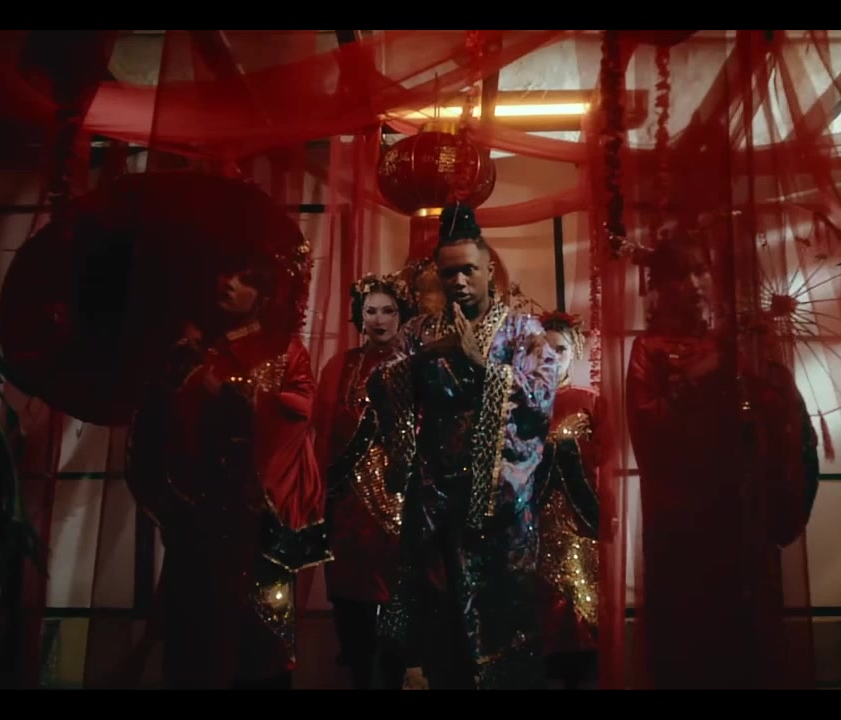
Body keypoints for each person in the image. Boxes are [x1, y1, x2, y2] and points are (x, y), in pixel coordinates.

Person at [371, 203, 559, 690]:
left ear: (489, 270)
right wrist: (424, 360)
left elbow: (541, 400)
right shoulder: (420, 332)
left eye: (468, 270)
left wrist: (482, 367)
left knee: (503, 612)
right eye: (449, 272)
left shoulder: (522, 331)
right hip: (434, 498)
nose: (458, 281)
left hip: (499, 502)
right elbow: (379, 384)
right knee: (440, 614)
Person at [625, 223, 819, 689]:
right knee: (688, 644)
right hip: (681, 525)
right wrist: (702, 374)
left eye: (700, 271)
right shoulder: (648, 349)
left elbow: (772, 419)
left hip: (739, 518)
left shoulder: (733, 342)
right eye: (680, 275)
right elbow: (649, 434)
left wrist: (768, 365)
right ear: (661, 286)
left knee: (745, 644)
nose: (693, 284)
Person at [126, 257, 329, 690]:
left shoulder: (285, 349)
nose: (229, 283)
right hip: (199, 514)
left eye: (244, 278)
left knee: (261, 633)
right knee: (197, 634)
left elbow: (302, 411)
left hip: (259, 511)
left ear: (265, 294)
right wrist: (180, 375)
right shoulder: (197, 352)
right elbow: (165, 433)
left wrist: (244, 396)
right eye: (224, 273)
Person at [313, 272, 415, 689]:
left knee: (398, 598)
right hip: (349, 499)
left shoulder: (414, 364)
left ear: (401, 315)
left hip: (400, 496)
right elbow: (324, 430)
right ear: (359, 315)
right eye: (370, 311)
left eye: (388, 310)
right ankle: (357, 670)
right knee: (349, 594)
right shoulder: (342, 366)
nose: (379, 319)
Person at [532, 311, 610, 690]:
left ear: (575, 351)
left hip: (582, 529)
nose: (552, 357)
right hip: (535, 531)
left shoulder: (590, 402)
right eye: (543, 350)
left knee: (585, 619)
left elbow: (608, 462)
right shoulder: (521, 403)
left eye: (560, 349)